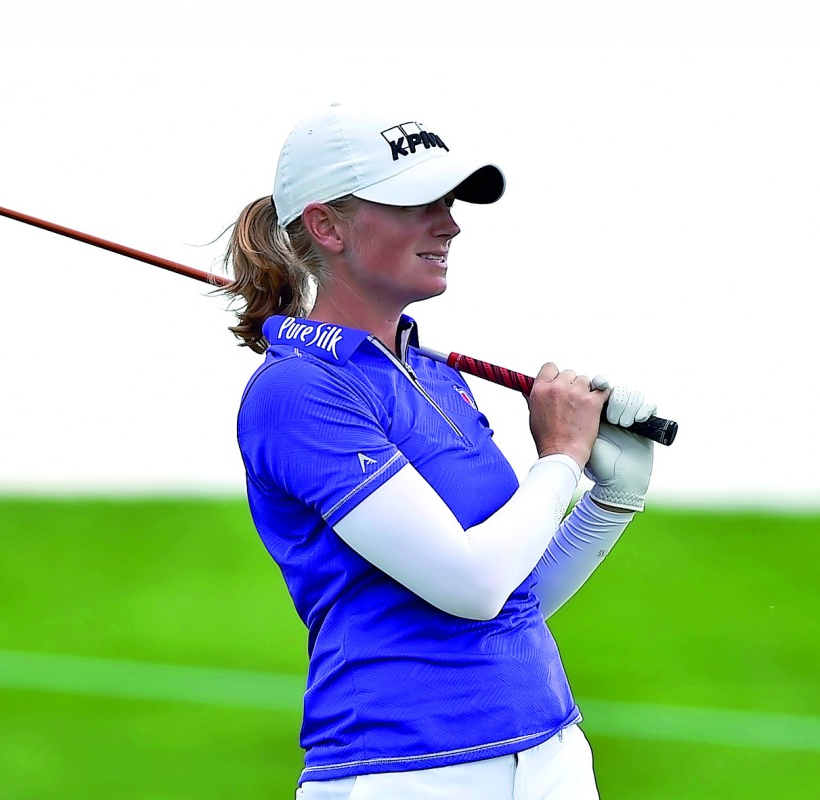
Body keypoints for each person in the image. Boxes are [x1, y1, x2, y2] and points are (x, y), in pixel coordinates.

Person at [221, 103, 658, 799]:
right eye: (414, 203)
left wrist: (610, 499)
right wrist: (560, 460)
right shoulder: (297, 391)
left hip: (549, 747)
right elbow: (470, 585)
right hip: (406, 768)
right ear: (326, 225)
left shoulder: (435, 376)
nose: (449, 222)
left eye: (448, 201)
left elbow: (513, 595)